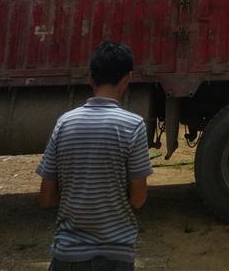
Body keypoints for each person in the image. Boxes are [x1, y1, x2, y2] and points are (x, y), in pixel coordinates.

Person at [37, 41, 153, 271]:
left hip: (68, 255)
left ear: (91, 78)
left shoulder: (64, 123)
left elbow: (45, 197)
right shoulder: (134, 126)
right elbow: (139, 199)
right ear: (127, 79)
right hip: (116, 255)